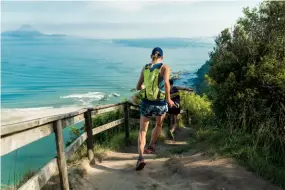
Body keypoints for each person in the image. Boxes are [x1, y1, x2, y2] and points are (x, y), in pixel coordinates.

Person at [135, 47, 174, 171]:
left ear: (151, 56)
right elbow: (167, 83)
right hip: (160, 102)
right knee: (158, 124)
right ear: (161, 57)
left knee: (142, 131)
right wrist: (168, 99)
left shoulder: (145, 68)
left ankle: (140, 157)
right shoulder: (165, 67)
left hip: (147, 102)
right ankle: (151, 145)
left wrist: (146, 87)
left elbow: (138, 87)